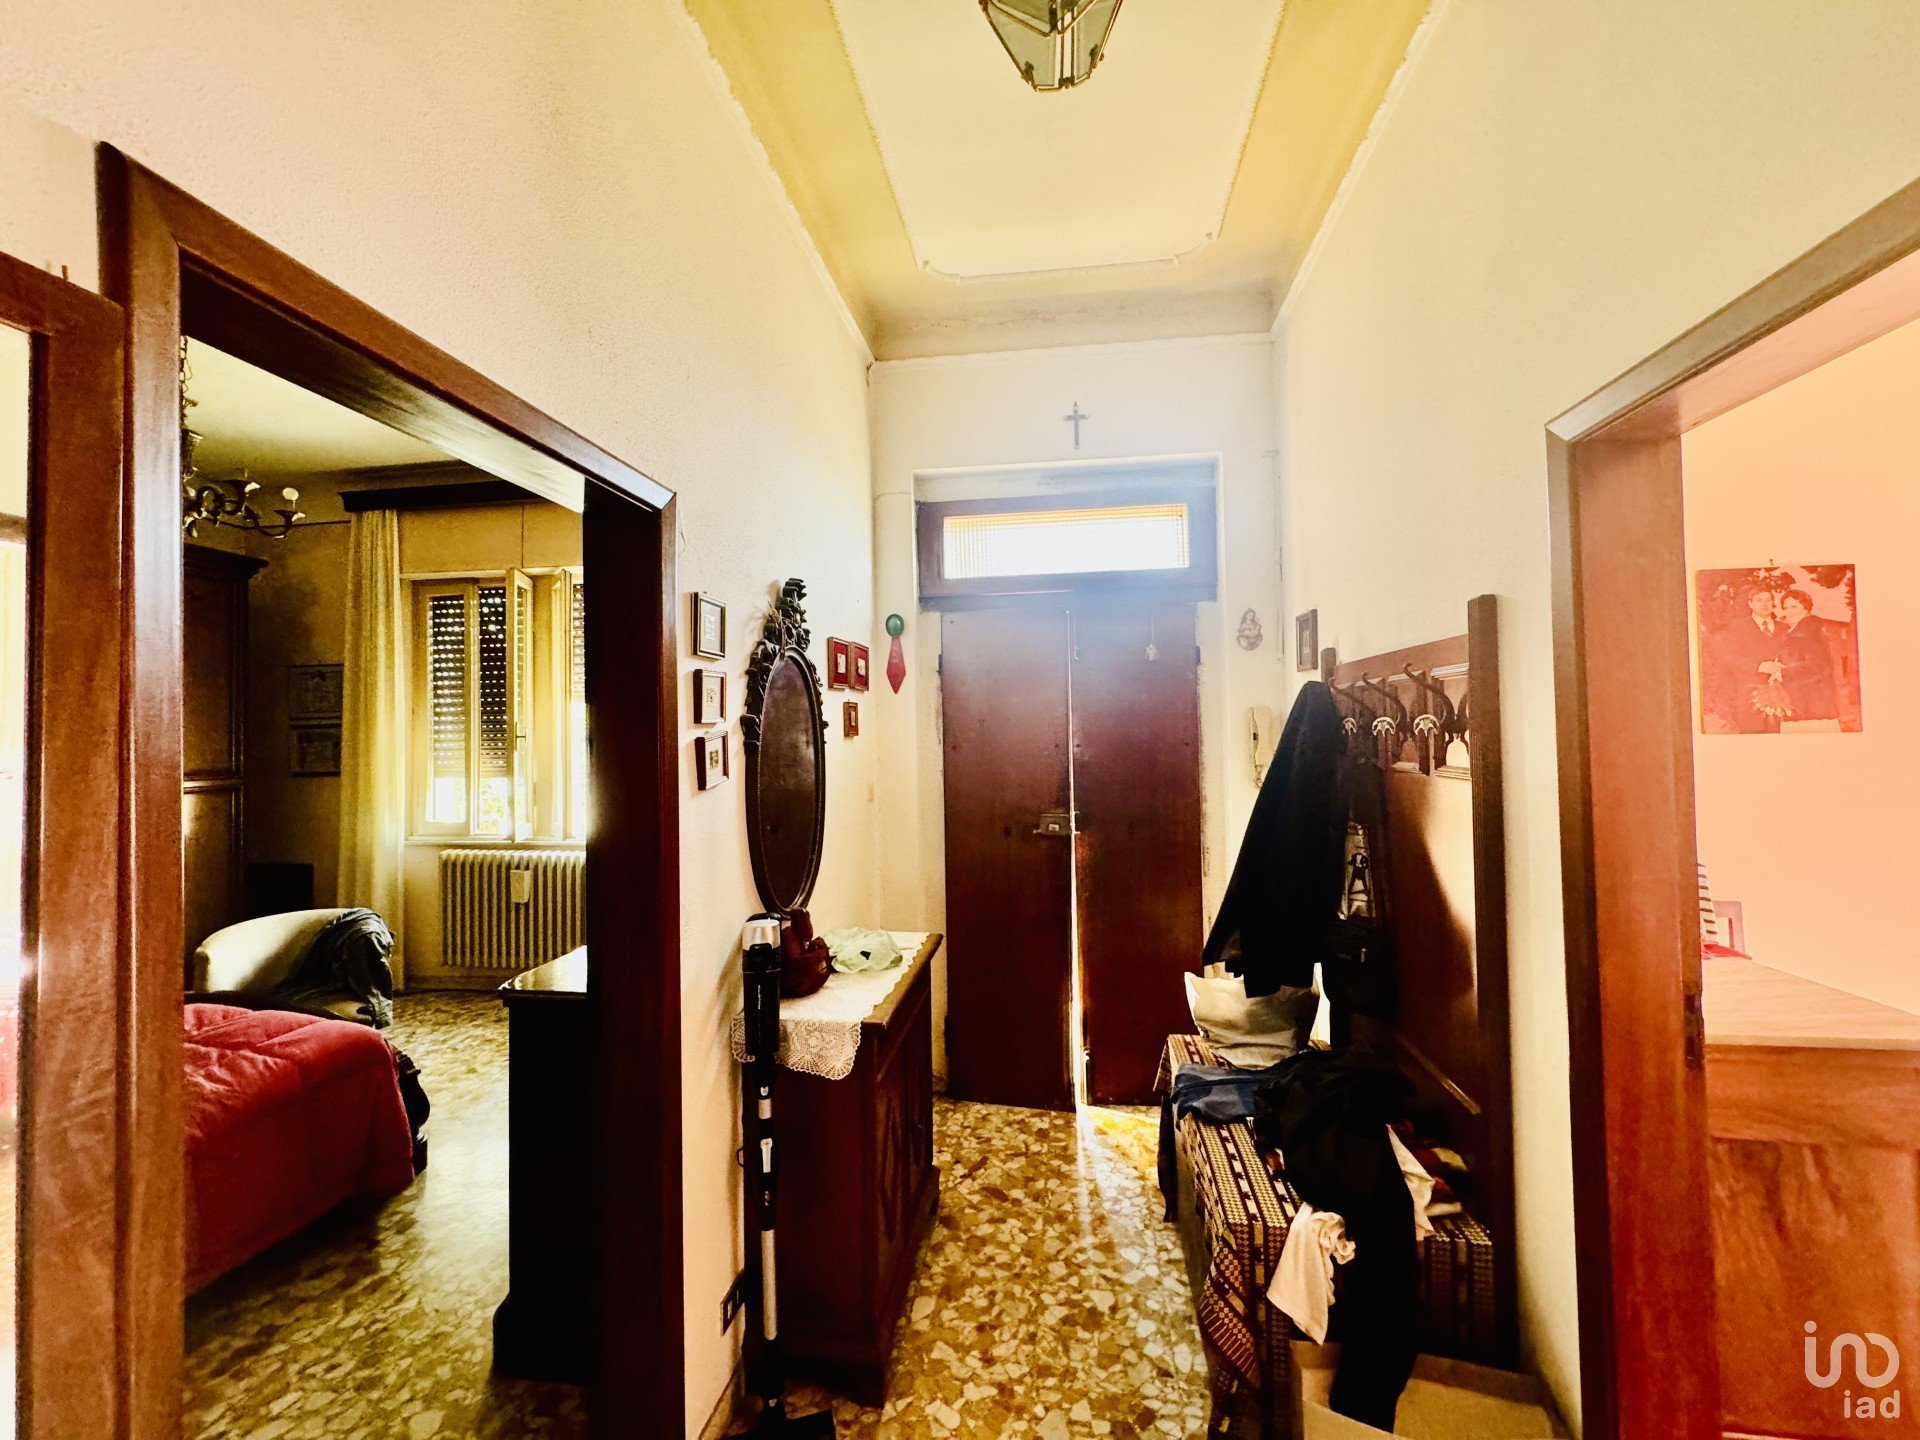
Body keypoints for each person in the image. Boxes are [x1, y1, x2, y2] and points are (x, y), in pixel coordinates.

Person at [1708, 587, 1786, 732]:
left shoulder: (1784, 628)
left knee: (1779, 735)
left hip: (1781, 692)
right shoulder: (1737, 626)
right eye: (1759, 600)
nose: (1764, 604)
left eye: (1768, 600)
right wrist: (1758, 666)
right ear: (1750, 603)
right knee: (1752, 735)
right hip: (1749, 693)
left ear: (1773, 603)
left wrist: (1783, 669)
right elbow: (1729, 656)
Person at [1778, 587, 1840, 722]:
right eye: (1786, 608)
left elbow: (1818, 666)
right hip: (1799, 698)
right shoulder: (1792, 632)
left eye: (1794, 607)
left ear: (1806, 609)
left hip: (1813, 700)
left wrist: (1782, 672)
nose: (1789, 611)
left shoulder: (1808, 632)